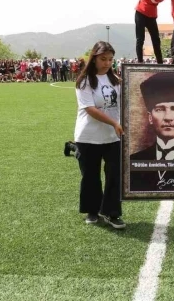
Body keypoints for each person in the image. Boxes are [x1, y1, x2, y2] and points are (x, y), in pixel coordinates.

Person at [73, 41, 125, 229]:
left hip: (113, 137)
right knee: (90, 176)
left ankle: (112, 213)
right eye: (103, 59)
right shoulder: (84, 81)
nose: (107, 63)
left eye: (110, 59)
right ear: (94, 58)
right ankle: (92, 211)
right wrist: (114, 123)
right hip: (88, 137)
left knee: (114, 175)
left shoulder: (117, 81)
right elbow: (90, 109)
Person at [135, 0, 171, 64]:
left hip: (152, 15)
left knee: (156, 39)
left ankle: (160, 62)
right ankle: (140, 61)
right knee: (140, 38)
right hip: (141, 12)